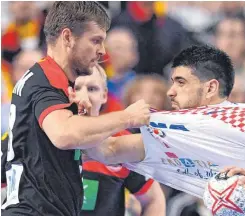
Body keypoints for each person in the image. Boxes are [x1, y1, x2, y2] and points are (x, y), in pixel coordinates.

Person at [77, 45, 245, 216]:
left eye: (181, 82)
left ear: (210, 88)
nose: (170, 92)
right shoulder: (171, 133)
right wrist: (89, 112)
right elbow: (107, 150)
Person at [1, 2, 150, 216]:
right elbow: (65, 134)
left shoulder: (56, 84)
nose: (102, 51)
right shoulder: (47, 78)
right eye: (96, 40)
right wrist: (127, 117)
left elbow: (107, 149)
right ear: (68, 37)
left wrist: (174, 141)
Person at [68, 65, 165, 216]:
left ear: (104, 95)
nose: (84, 97)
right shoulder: (39, 137)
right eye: (76, 88)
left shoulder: (122, 141)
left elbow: (154, 200)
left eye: (92, 89)